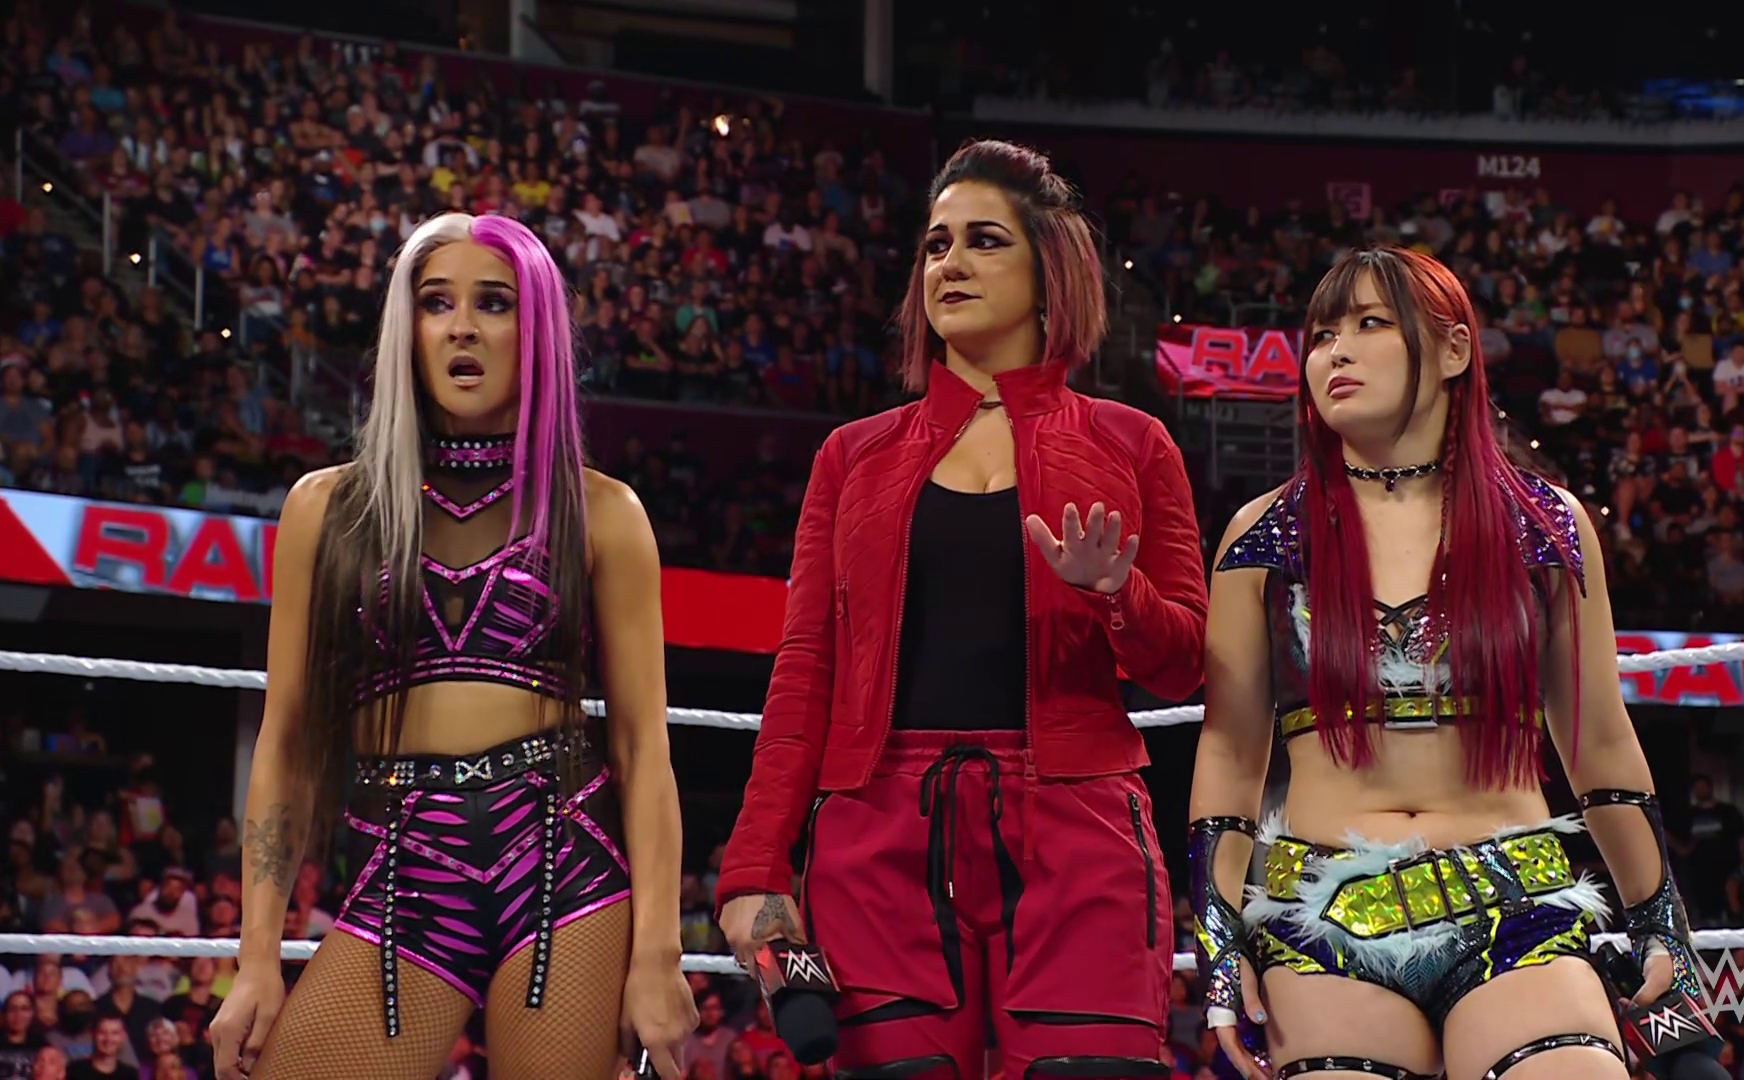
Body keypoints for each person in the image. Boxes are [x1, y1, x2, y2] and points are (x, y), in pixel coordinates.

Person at [714, 140, 1208, 1080]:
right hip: (877, 837)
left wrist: (1119, 595)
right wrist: (752, 870)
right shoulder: (851, 456)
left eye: (985, 241)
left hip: (1077, 829)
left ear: (1050, 272)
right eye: (937, 245)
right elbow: (805, 672)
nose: (951, 263)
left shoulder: (1132, 443)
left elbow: (1185, 663)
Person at [1189, 247, 1715, 1080]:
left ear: (1454, 350)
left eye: (1370, 323)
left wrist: (1662, 926)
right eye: (1322, 334)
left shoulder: (1545, 524)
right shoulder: (1262, 536)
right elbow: (1228, 753)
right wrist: (1219, 944)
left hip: (1515, 902)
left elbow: (1599, 742)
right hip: (1322, 920)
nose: (1336, 352)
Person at [206, 213, 696, 1080]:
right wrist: (256, 959)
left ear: (536, 329)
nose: (462, 326)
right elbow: (284, 742)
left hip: (563, 865)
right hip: (404, 862)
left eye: (493, 303)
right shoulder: (326, 508)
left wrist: (657, 953)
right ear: (408, 327)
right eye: (437, 302)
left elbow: (640, 747)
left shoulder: (603, 511)